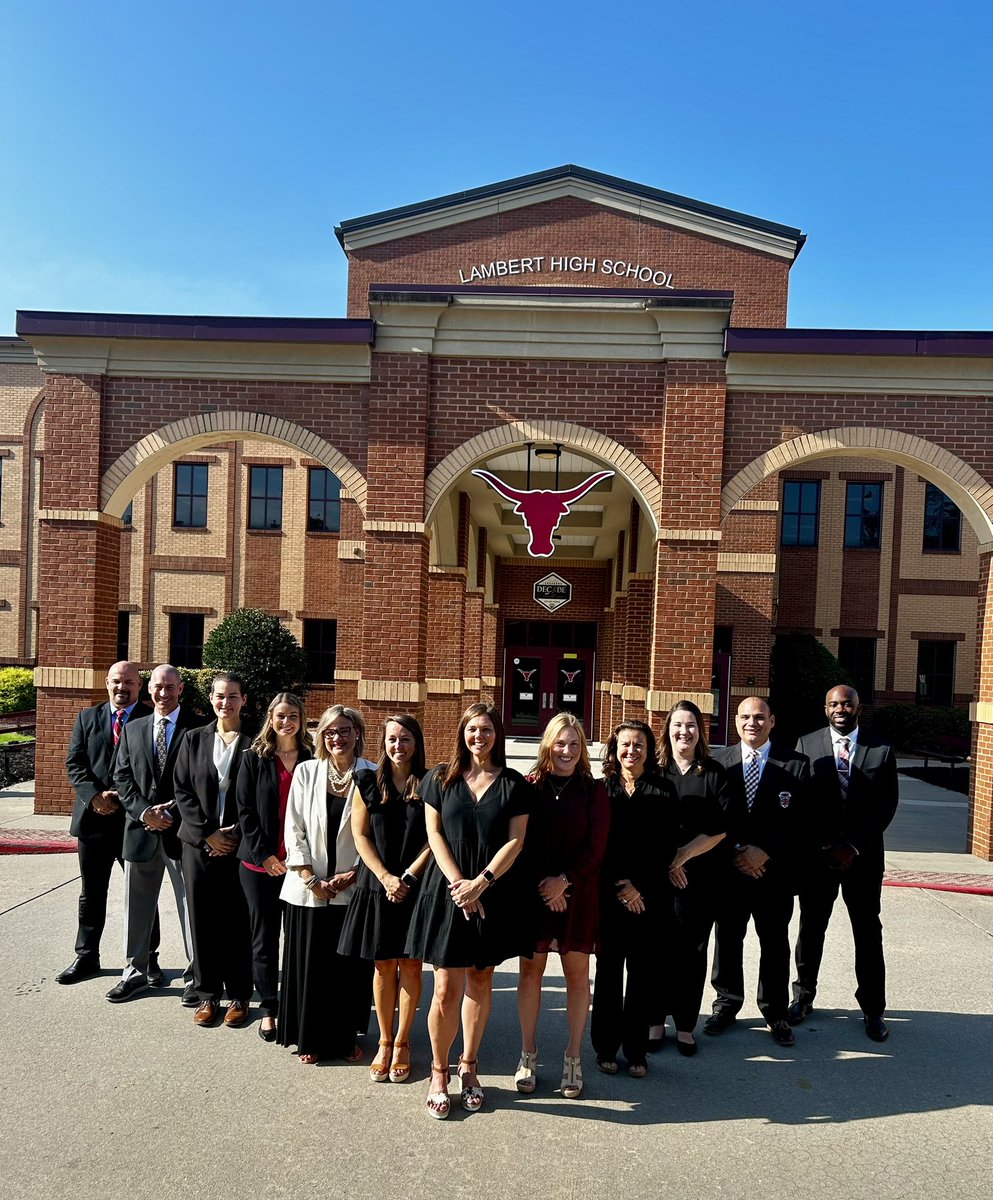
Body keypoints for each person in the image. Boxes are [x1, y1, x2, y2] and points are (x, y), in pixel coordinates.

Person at [405, 702, 532, 1119]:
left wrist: (483, 883)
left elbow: (515, 841)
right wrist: (462, 883)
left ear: (498, 735)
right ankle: (439, 1072)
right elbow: (433, 833)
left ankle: (470, 1067)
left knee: (480, 979)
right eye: (472, 729)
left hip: (492, 892)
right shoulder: (440, 779)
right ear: (463, 733)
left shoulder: (513, 784)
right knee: (444, 987)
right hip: (447, 893)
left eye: (487, 730)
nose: (480, 736)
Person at [790, 685, 899, 1042]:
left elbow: (886, 806)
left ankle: (873, 1009)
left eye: (847, 704)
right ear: (825, 709)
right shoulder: (807, 745)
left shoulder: (881, 749)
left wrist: (852, 845)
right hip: (817, 859)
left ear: (858, 708)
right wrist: (824, 844)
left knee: (868, 932)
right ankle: (803, 997)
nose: (841, 709)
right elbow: (801, 803)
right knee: (811, 928)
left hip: (863, 858)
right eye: (834, 704)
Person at [514, 713, 609, 1100]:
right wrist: (545, 885)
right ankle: (528, 1053)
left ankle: (573, 1056)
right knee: (530, 975)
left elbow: (597, 847)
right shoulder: (529, 786)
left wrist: (564, 881)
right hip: (536, 895)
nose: (567, 750)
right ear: (547, 744)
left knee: (576, 976)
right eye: (560, 743)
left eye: (574, 744)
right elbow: (519, 844)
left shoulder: (593, 790)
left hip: (578, 894)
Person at [708, 697, 811, 1046]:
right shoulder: (718, 762)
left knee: (775, 944)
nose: (752, 723)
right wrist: (738, 851)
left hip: (774, 874)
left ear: (772, 721)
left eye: (760, 717)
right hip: (730, 872)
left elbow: (803, 825)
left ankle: (775, 1011)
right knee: (728, 939)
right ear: (735, 721)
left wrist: (765, 852)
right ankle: (726, 1002)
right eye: (746, 717)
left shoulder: (797, 765)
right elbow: (711, 818)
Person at [278, 704, 375, 1064]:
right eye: (331, 731)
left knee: (348, 970)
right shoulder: (306, 772)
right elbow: (294, 828)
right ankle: (311, 1040)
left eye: (345, 730)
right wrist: (308, 877)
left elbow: (376, 834)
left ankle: (346, 1039)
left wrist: (356, 872)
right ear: (321, 736)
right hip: (309, 889)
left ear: (357, 733)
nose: (338, 737)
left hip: (353, 889)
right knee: (311, 967)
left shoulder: (371, 774)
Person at [339, 714, 431, 1084]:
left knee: (409, 965)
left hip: (415, 885)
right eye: (392, 738)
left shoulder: (429, 784)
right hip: (378, 885)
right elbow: (360, 835)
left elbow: (435, 837)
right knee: (382, 965)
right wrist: (385, 877)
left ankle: (404, 1042)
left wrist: (407, 876)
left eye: (405, 738)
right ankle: (384, 1040)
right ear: (384, 742)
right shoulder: (366, 781)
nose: (398, 745)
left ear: (416, 743)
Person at [590, 719, 677, 1079]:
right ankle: (606, 1048)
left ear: (648, 750)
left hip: (648, 897)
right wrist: (619, 888)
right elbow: (595, 847)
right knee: (609, 974)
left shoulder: (664, 791)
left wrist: (638, 886)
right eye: (625, 745)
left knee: (642, 976)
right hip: (609, 898)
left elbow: (667, 847)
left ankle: (637, 1050)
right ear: (614, 749)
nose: (631, 751)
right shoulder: (601, 790)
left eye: (639, 745)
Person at [110, 664, 201, 1004]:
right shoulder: (134, 729)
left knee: (190, 907)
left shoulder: (198, 727)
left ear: (180, 689)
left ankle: (196, 976)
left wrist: (170, 813)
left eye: (170, 687)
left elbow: (199, 780)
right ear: (149, 690)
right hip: (140, 831)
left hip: (182, 835)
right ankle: (134, 972)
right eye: (158, 687)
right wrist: (145, 811)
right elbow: (122, 777)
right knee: (136, 907)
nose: (164, 693)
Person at [59, 661, 154, 985]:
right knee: (91, 893)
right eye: (116, 681)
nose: (121, 687)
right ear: (107, 683)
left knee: (142, 896)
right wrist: (94, 796)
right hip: (93, 822)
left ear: (139, 686)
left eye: (129, 682)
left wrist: (132, 801)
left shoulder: (152, 720)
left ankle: (148, 959)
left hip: (134, 824)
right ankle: (87, 956)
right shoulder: (88, 718)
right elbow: (75, 763)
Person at [173, 672, 256, 1029]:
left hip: (240, 845)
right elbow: (181, 790)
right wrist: (208, 833)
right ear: (211, 699)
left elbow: (259, 794)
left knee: (238, 920)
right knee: (203, 918)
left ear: (244, 700)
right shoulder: (193, 739)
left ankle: (239, 994)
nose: (226, 702)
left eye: (233, 696)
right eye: (220, 696)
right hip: (198, 845)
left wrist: (236, 833)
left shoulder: (256, 741)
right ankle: (208, 993)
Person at [235, 692, 314, 1042]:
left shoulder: (313, 757)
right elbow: (245, 812)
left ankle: (296, 1007)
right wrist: (266, 855)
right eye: (280, 715)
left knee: (297, 940)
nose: (287, 722)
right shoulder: (253, 758)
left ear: (301, 719)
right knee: (264, 939)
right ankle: (269, 1007)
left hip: (300, 867)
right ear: (271, 718)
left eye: (293, 715)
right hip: (260, 866)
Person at [658, 700, 729, 1056]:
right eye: (677, 725)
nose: (683, 732)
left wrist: (682, 856)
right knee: (657, 950)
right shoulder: (654, 770)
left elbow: (721, 828)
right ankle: (654, 1020)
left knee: (692, 951)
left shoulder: (713, 772)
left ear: (701, 731)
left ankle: (685, 1024)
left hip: (701, 879)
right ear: (667, 729)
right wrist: (668, 863)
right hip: (657, 877)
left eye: (691, 725)